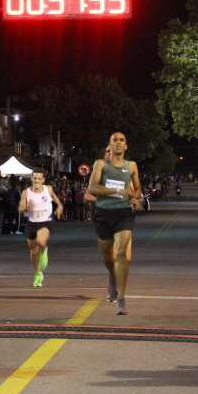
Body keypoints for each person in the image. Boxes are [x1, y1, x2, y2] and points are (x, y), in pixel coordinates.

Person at [88, 132, 141, 315]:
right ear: (109, 145)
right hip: (103, 214)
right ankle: (112, 275)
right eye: (114, 140)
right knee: (108, 258)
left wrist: (135, 197)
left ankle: (122, 297)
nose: (118, 143)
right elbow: (92, 188)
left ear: (126, 146)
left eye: (122, 140)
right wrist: (117, 190)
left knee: (122, 254)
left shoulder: (132, 166)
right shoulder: (101, 164)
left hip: (124, 214)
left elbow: (138, 190)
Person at [18, 169, 63, 287]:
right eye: (35, 178)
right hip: (32, 223)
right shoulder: (26, 192)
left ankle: (44, 250)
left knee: (41, 241)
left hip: (46, 222)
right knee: (33, 251)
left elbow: (56, 199)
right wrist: (26, 206)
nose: (36, 180)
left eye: (39, 178)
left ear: (43, 180)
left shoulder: (48, 189)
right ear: (31, 179)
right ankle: (38, 273)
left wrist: (59, 206)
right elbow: (20, 208)